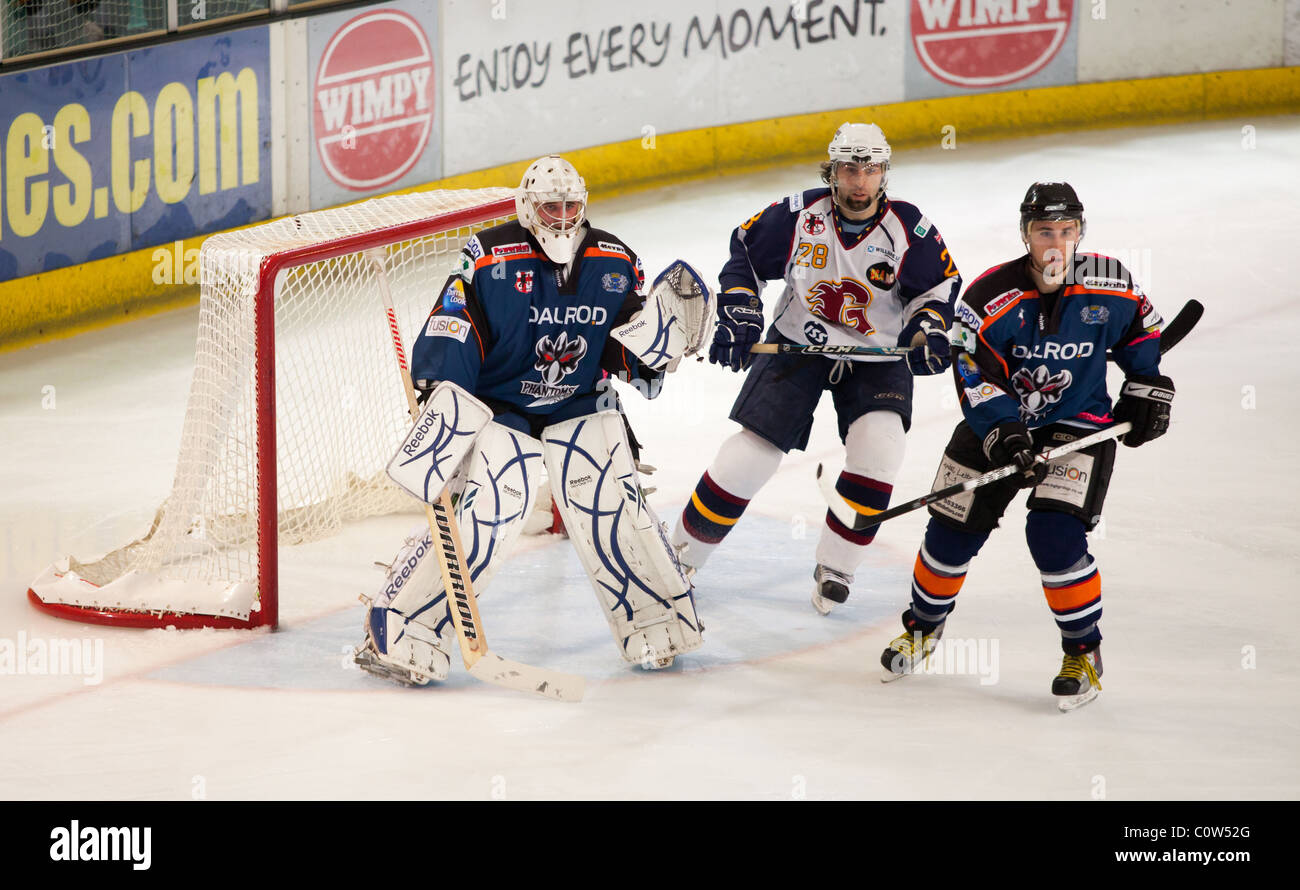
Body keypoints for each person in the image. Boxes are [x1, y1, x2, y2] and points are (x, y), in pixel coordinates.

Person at [353, 156, 713, 686]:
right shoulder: (490, 254)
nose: (562, 217)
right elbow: (457, 321)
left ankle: (657, 621)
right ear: (528, 206)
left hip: (578, 404)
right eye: (551, 206)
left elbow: (627, 340)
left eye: (571, 206)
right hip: (503, 407)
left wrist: (660, 345)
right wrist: (441, 387)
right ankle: (401, 624)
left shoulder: (614, 261)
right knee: (491, 514)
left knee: (614, 508)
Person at [879, 182, 1175, 710]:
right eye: (1044, 232)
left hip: (1080, 426)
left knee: (1054, 536)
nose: (1056, 243)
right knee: (949, 533)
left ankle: (1083, 652)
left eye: (1067, 231)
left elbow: (1141, 333)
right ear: (1025, 234)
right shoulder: (989, 296)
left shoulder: (1112, 283)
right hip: (999, 426)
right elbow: (973, 372)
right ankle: (923, 627)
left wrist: (1145, 387)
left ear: (1081, 232)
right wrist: (1004, 429)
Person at [670, 123, 962, 614]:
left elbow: (937, 289)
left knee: (880, 447)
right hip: (798, 344)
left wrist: (926, 330)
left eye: (871, 170)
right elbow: (743, 248)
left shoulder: (909, 228)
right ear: (833, 171)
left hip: (877, 356)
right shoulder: (798, 213)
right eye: (850, 169)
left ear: (884, 173)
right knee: (753, 454)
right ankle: (678, 557)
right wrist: (741, 309)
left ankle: (837, 566)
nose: (859, 182)